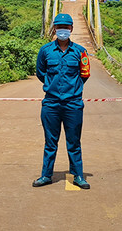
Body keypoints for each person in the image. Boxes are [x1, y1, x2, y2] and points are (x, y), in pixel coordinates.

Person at [32, 13, 91, 189]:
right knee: (50, 142)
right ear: (54, 29)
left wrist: (72, 89)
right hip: (51, 104)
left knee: (74, 142)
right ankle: (46, 175)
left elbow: (85, 74)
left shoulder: (80, 52)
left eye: (65, 27)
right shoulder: (45, 51)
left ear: (71, 29)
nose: (62, 30)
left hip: (73, 104)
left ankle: (78, 175)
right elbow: (40, 72)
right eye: (59, 27)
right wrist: (52, 85)